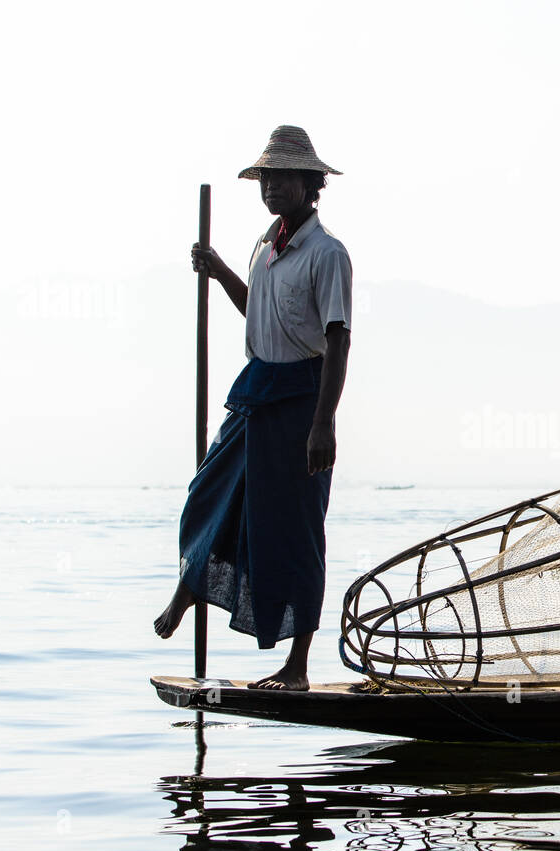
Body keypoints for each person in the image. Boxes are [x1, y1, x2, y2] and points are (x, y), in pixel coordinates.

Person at [153, 125, 352, 692]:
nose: (272, 186)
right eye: (267, 177)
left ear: (311, 186)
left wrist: (323, 423)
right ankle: (192, 583)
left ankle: (298, 666)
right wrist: (220, 274)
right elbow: (260, 315)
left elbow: (337, 338)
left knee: (295, 529)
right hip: (256, 389)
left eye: (284, 177)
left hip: (301, 399)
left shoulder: (327, 253)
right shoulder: (265, 249)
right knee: (209, 493)